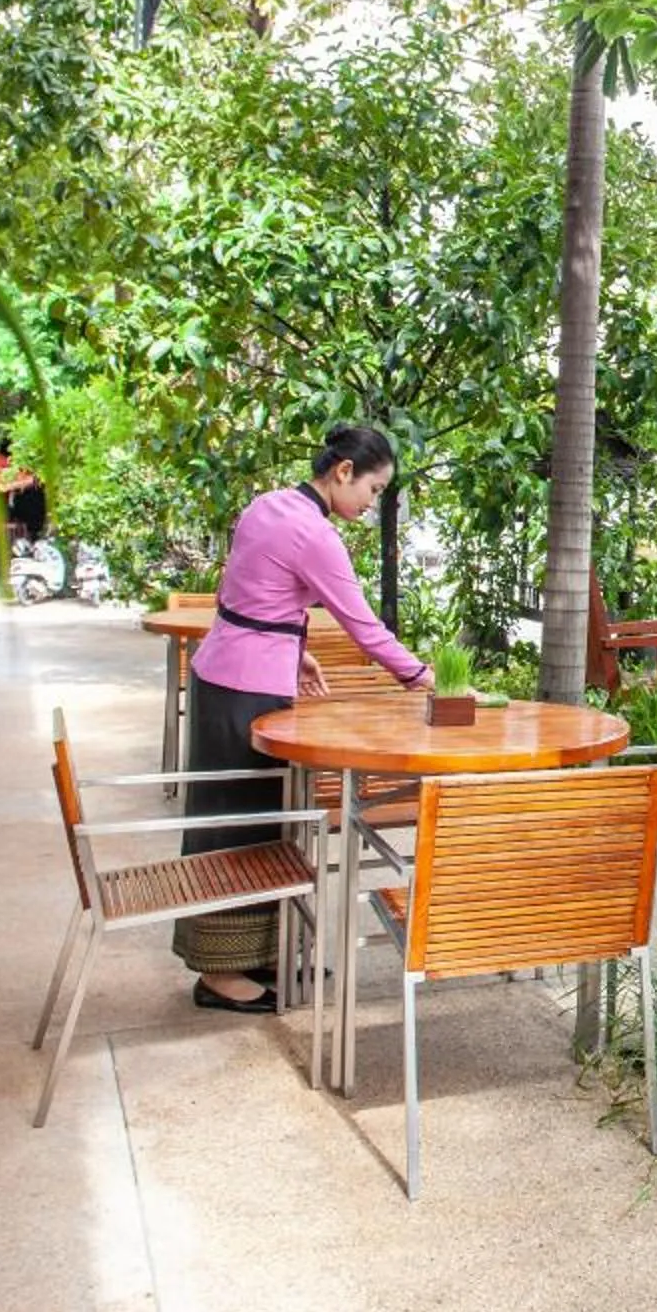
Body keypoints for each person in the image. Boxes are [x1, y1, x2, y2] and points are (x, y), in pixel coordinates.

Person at [179, 424, 430, 1013]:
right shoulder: (315, 534)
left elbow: (247, 595)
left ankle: (260, 955)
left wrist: (293, 646)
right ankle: (219, 976)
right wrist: (423, 677)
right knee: (239, 827)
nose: (371, 506)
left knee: (258, 821)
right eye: (373, 489)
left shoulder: (268, 505)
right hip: (246, 689)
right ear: (343, 472)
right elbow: (363, 628)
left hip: (225, 674)